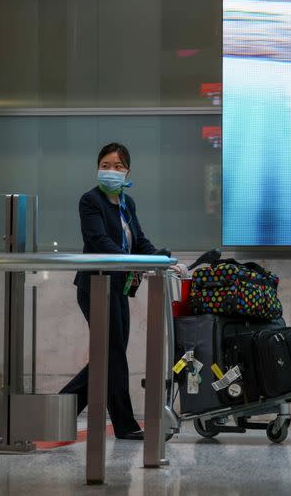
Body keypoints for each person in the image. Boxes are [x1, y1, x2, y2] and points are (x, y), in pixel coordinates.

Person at [60, 142, 180, 440]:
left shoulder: (127, 203)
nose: (110, 171)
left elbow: (138, 241)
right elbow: (99, 241)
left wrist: (162, 260)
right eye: (105, 165)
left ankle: (59, 409)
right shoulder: (90, 201)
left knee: (108, 356)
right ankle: (125, 425)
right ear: (97, 168)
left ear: (127, 171)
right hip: (96, 286)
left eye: (117, 166)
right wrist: (131, 264)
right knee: (112, 355)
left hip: (118, 286)